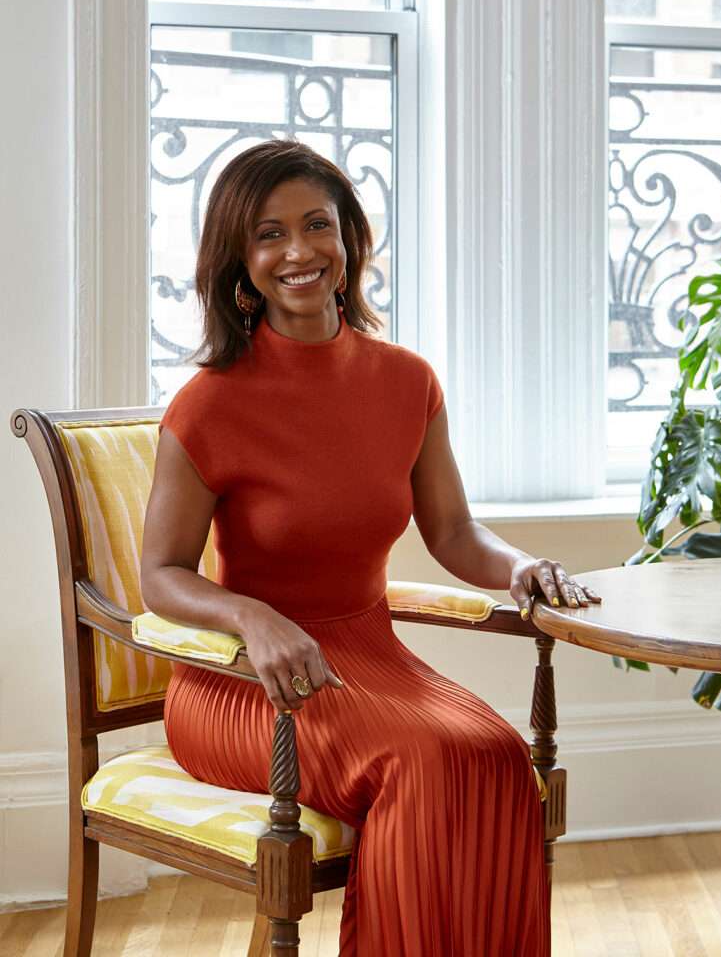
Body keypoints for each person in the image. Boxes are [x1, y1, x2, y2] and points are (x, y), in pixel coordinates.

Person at [141, 138, 599, 956]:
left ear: (350, 240)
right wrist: (251, 616)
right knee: (423, 761)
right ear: (239, 261)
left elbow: (454, 533)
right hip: (245, 683)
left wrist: (519, 566)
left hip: (368, 656)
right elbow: (161, 577)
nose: (298, 251)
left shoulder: (406, 381)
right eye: (269, 234)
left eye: (317, 225)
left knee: (493, 754)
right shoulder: (207, 404)